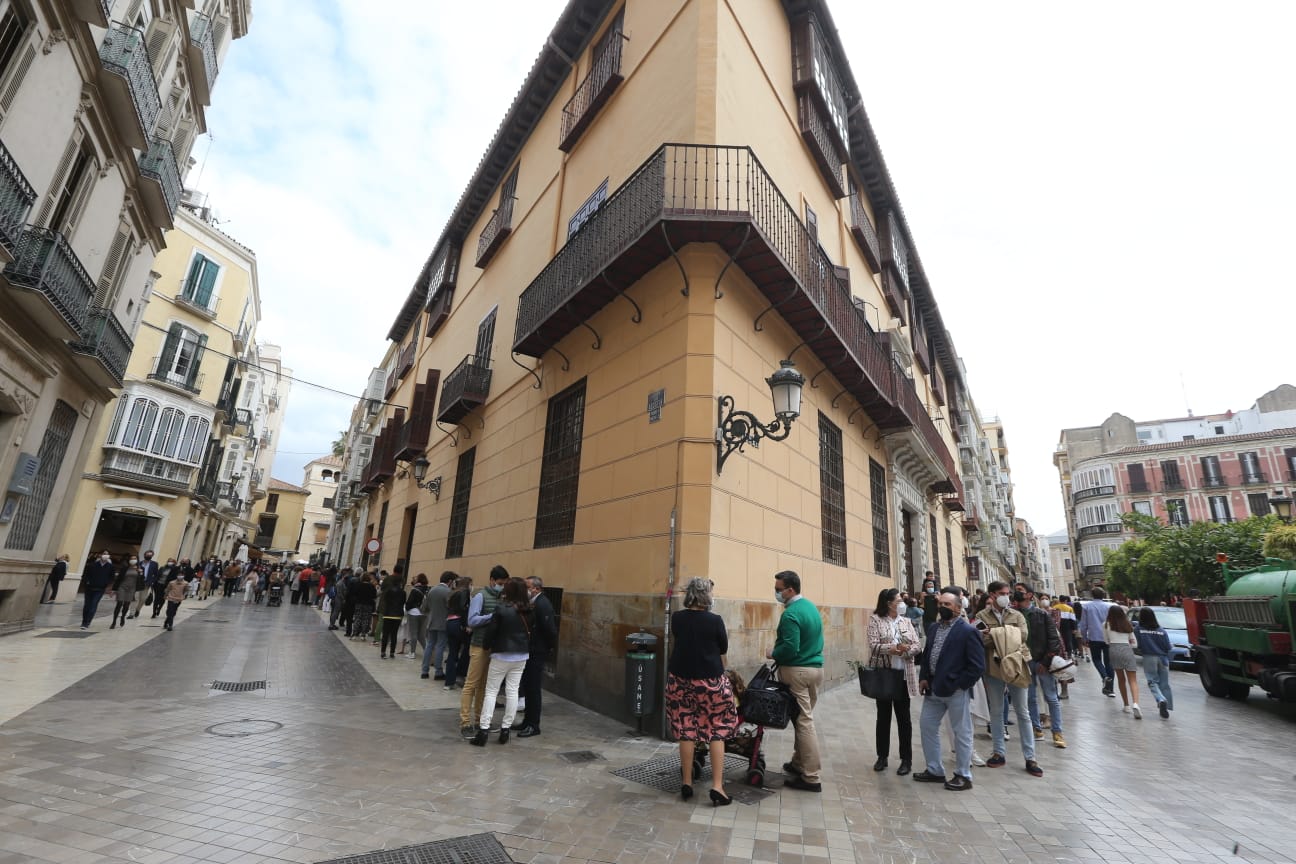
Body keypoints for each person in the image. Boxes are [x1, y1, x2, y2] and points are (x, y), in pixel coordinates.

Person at [665, 577, 738, 805]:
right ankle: (717, 786)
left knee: (686, 727)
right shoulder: (715, 621)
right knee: (717, 728)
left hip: (680, 680)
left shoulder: (677, 618)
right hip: (710, 682)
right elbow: (723, 648)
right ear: (706, 596)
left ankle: (687, 782)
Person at [914, 587, 985, 791]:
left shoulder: (968, 631)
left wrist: (960, 684)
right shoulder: (935, 628)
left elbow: (977, 666)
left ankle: (963, 774)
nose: (942, 607)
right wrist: (924, 677)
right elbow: (928, 654)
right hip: (933, 689)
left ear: (957, 607)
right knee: (927, 726)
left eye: (947, 604)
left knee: (961, 732)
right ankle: (934, 770)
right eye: (940, 604)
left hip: (955, 691)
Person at [975, 581, 1042, 778]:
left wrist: (994, 633)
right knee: (996, 711)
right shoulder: (981, 616)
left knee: (1022, 711)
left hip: (1017, 665)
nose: (1006, 596)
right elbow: (981, 638)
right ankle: (998, 752)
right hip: (994, 667)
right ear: (992, 595)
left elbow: (1022, 636)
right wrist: (1004, 635)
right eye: (1002, 593)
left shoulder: (1016, 615)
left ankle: (1030, 757)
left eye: (1007, 593)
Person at [769, 570, 824, 793]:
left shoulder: (791, 614)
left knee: (803, 722)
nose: (776, 593)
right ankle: (798, 763)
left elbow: (791, 647)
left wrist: (774, 653)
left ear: (790, 590)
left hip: (798, 671)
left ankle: (811, 777)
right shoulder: (810, 607)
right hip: (814, 669)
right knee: (804, 719)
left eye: (778, 589)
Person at [471, 576, 533, 747]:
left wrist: (486, 646)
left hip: (501, 655)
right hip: (521, 655)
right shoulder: (529, 610)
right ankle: (505, 729)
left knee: (491, 692)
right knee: (512, 692)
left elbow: (491, 632)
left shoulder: (501, 609)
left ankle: (483, 730)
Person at [867, 588, 921, 776]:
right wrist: (894, 648)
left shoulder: (906, 621)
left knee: (904, 719)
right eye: (898, 600)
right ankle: (882, 756)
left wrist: (906, 650)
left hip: (903, 676)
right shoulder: (876, 620)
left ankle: (906, 760)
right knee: (883, 718)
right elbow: (873, 646)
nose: (902, 603)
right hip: (884, 675)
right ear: (888, 603)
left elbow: (917, 645)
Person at [461, 566, 509, 738]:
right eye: (500, 583)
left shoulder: (502, 598)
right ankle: (465, 722)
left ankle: (480, 720)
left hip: (493, 648)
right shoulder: (480, 596)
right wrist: (492, 616)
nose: (502, 586)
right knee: (471, 684)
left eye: (504, 584)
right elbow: (472, 620)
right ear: (492, 580)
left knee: (484, 686)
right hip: (479, 646)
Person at [1016, 591, 1065, 749]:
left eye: (1021, 600)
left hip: (1042, 661)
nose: (1019, 603)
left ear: (1029, 598)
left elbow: (1053, 638)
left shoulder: (1042, 615)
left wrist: (1047, 660)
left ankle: (1057, 731)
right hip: (1026, 661)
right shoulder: (1015, 615)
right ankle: (1036, 728)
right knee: (1030, 698)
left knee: (1051, 697)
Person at [517, 575, 559, 737]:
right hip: (531, 651)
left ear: (537, 588)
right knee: (528, 686)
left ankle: (534, 725)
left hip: (537, 652)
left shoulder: (543, 604)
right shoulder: (534, 603)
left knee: (534, 689)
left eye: (528, 587)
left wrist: (547, 648)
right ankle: (527, 721)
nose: (525, 590)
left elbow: (550, 630)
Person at [1134, 608, 1174, 719]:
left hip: (1149, 657)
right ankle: (1166, 707)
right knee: (1164, 684)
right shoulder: (1161, 630)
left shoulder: (1138, 629)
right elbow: (1168, 647)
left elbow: (1137, 644)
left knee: (1152, 681)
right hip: (1163, 658)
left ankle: (1161, 700)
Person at [1105, 605, 1141, 717]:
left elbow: (1106, 641)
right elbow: (1135, 644)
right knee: (1133, 680)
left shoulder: (1106, 625)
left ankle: (1126, 705)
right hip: (1126, 649)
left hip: (1113, 650)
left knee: (1121, 679)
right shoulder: (1127, 624)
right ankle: (1135, 703)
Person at [1078, 588, 1114, 695]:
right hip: (1108, 637)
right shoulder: (1109, 606)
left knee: (1097, 659)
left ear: (1092, 595)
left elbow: (1083, 624)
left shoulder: (1087, 607)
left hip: (1094, 637)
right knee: (1109, 663)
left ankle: (1104, 677)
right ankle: (1111, 689)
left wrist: (1084, 638)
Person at [420, 572, 453, 679]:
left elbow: (424, 608)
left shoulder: (431, 590)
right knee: (440, 647)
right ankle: (438, 672)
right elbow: (451, 608)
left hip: (431, 622)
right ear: (450, 581)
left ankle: (424, 671)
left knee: (429, 645)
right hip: (443, 623)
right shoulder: (448, 592)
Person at [444, 575, 473, 691]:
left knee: (452, 652)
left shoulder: (453, 593)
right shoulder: (465, 592)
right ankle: (460, 674)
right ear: (468, 584)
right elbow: (463, 608)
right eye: (471, 584)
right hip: (458, 623)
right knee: (467, 648)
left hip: (450, 622)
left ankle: (449, 681)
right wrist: (466, 625)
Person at [81, 551, 116, 630]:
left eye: (107, 554)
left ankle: (87, 622)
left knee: (93, 605)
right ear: (100, 555)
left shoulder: (110, 567)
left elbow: (112, 577)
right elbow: (85, 575)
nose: (105, 555)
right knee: (87, 606)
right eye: (104, 554)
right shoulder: (92, 565)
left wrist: (107, 585)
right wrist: (87, 582)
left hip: (100, 589)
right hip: (89, 588)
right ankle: (84, 621)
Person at [378, 572, 406, 658]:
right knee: (394, 634)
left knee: (385, 634)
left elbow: (385, 600)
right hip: (397, 615)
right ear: (400, 583)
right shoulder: (403, 592)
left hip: (387, 614)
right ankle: (392, 652)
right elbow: (403, 602)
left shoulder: (388, 591)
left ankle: (383, 652)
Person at [109, 556, 140, 629]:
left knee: (126, 605)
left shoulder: (139, 569)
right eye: (131, 559)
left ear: (137, 560)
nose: (133, 560)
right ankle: (114, 621)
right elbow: (118, 579)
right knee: (119, 603)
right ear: (129, 560)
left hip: (132, 589)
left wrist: (141, 573)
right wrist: (114, 589)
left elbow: (141, 580)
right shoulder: (124, 568)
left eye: (134, 559)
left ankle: (123, 616)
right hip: (122, 587)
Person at [402, 574, 428, 659]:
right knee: (421, 635)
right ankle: (427, 651)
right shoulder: (427, 589)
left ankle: (412, 653)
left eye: (416, 578)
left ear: (419, 580)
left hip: (413, 613)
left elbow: (409, 602)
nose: (414, 579)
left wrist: (406, 609)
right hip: (424, 614)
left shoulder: (415, 590)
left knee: (414, 633)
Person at [350, 573, 377, 641]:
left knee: (357, 618)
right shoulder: (372, 586)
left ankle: (354, 634)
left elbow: (354, 594)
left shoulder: (358, 585)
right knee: (365, 620)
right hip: (368, 605)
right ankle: (363, 635)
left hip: (359, 604)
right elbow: (374, 596)